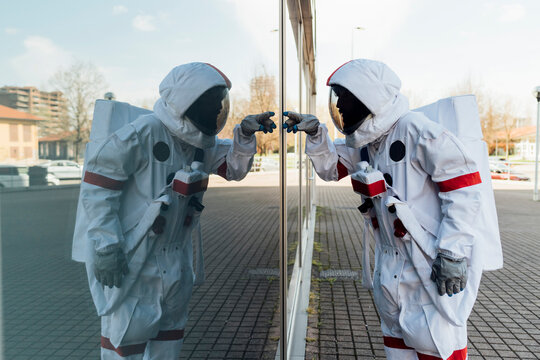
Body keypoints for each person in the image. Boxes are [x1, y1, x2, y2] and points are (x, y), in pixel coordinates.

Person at [283, 59, 502, 360]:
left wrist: (453, 252)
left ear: (369, 99)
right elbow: (331, 169)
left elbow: (464, 188)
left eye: (346, 101)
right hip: (389, 269)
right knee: (397, 351)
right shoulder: (366, 142)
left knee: (437, 345)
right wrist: (316, 134)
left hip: (428, 267)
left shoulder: (414, 130)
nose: (342, 109)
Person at [72, 62, 276, 359]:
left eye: (221, 104)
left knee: (168, 345)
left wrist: (243, 134)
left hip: (177, 263)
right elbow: (98, 185)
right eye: (211, 104)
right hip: (135, 261)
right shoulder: (145, 132)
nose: (217, 111)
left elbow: (233, 168)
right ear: (186, 102)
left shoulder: (199, 144)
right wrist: (106, 245)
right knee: (124, 345)